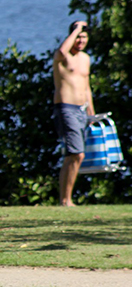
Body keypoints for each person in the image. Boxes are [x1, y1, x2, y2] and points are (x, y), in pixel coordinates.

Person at [54, 21, 95, 207]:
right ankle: (66, 200)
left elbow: (87, 87)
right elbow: (62, 51)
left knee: (74, 156)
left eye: (84, 37)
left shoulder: (85, 58)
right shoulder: (63, 57)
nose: (80, 40)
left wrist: (91, 113)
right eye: (78, 36)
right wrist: (77, 28)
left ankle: (65, 199)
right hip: (66, 107)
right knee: (76, 154)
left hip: (81, 110)